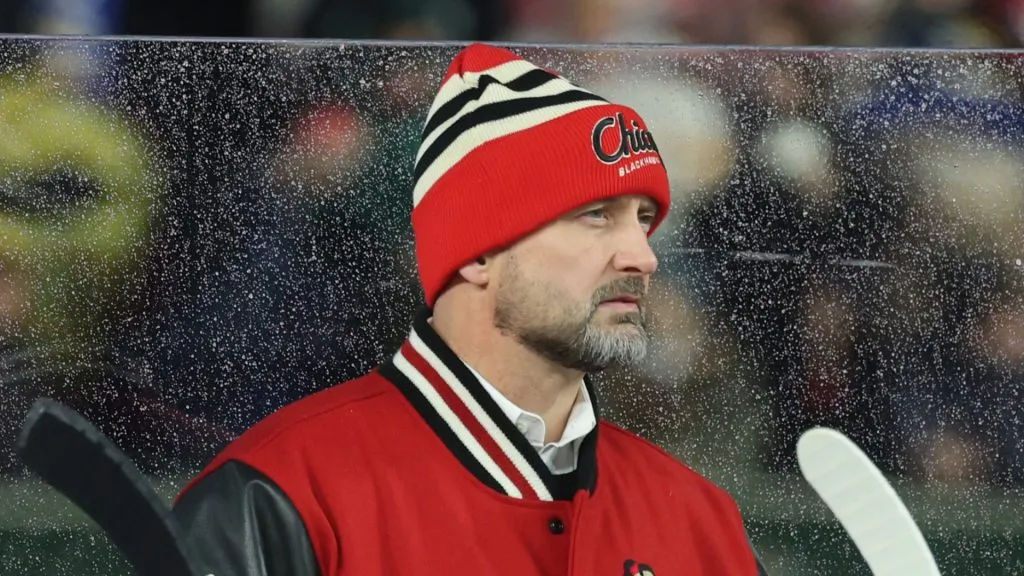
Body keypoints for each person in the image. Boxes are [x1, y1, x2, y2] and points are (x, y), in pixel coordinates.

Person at [172, 42, 770, 576]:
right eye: (596, 216)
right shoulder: (278, 495)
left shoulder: (700, 517)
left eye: (643, 220)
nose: (642, 256)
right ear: (478, 250)